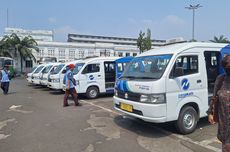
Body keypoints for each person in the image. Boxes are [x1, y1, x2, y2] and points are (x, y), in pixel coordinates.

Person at [208, 55, 230, 152]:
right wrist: (210, 113)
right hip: (224, 126)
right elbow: (214, 98)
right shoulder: (220, 79)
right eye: (226, 68)